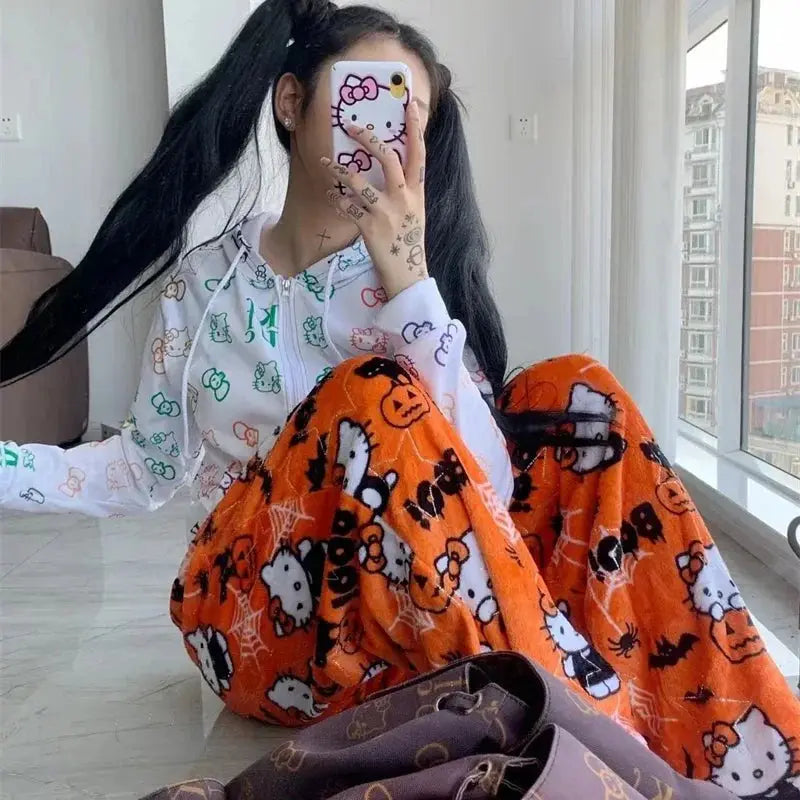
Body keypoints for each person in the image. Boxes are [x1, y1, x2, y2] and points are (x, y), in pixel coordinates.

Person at [1, 1, 798, 796]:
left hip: (399, 640)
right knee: (368, 395)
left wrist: (410, 286)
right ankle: (609, 765)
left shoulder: (411, 287)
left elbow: (487, 487)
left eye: (409, 113)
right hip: (254, 629)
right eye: (367, 94)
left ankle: (756, 762)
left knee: (576, 394)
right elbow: (141, 469)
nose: (383, 131)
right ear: (291, 102)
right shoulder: (207, 282)